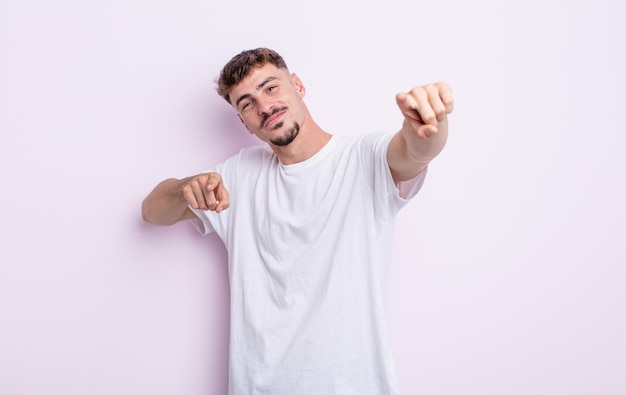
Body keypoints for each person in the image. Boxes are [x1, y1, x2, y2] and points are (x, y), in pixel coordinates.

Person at [142, 47, 453, 394]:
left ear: (298, 86)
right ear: (244, 123)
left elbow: (414, 152)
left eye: (271, 87)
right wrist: (186, 188)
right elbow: (152, 211)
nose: (264, 106)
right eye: (247, 103)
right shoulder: (238, 177)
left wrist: (429, 124)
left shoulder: (364, 158)